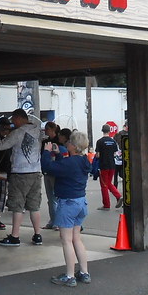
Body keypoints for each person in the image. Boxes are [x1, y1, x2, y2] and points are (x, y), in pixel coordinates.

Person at [0, 108, 44, 247]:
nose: (13, 123)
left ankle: (15, 236)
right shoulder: (38, 131)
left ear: (18, 118)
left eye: (13, 120)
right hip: (36, 171)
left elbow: (1, 146)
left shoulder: (17, 133)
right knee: (34, 206)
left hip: (20, 173)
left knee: (17, 206)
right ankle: (38, 235)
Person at [40, 130, 93, 286]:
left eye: (69, 141)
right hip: (81, 202)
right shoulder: (83, 161)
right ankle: (84, 272)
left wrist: (46, 152)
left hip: (68, 203)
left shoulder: (69, 163)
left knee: (66, 241)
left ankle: (70, 276)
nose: (67, 143)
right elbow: (64, 167)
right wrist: (59, 155)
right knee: (76, 238)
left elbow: (48, 167)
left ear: (73, 146)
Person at [94, 123, 123, 210]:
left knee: (104, 185)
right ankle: (118, 196)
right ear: (109, 131)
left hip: (103, 165)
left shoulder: (99, 141)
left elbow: (98, 155)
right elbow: (114, 154)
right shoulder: (113, 142)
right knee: (109, 183)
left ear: (102, 131)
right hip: (112, 165)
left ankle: (106, 205)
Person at [42, 121, 62, 230]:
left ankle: (57, 221)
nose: (45, 131)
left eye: (47, 129)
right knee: (50, 198)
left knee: (56, 197)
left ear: (53, 130)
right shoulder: (45, 142)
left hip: (55, 171)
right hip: (47, 171)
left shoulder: (58, 142)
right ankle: (53, 220)